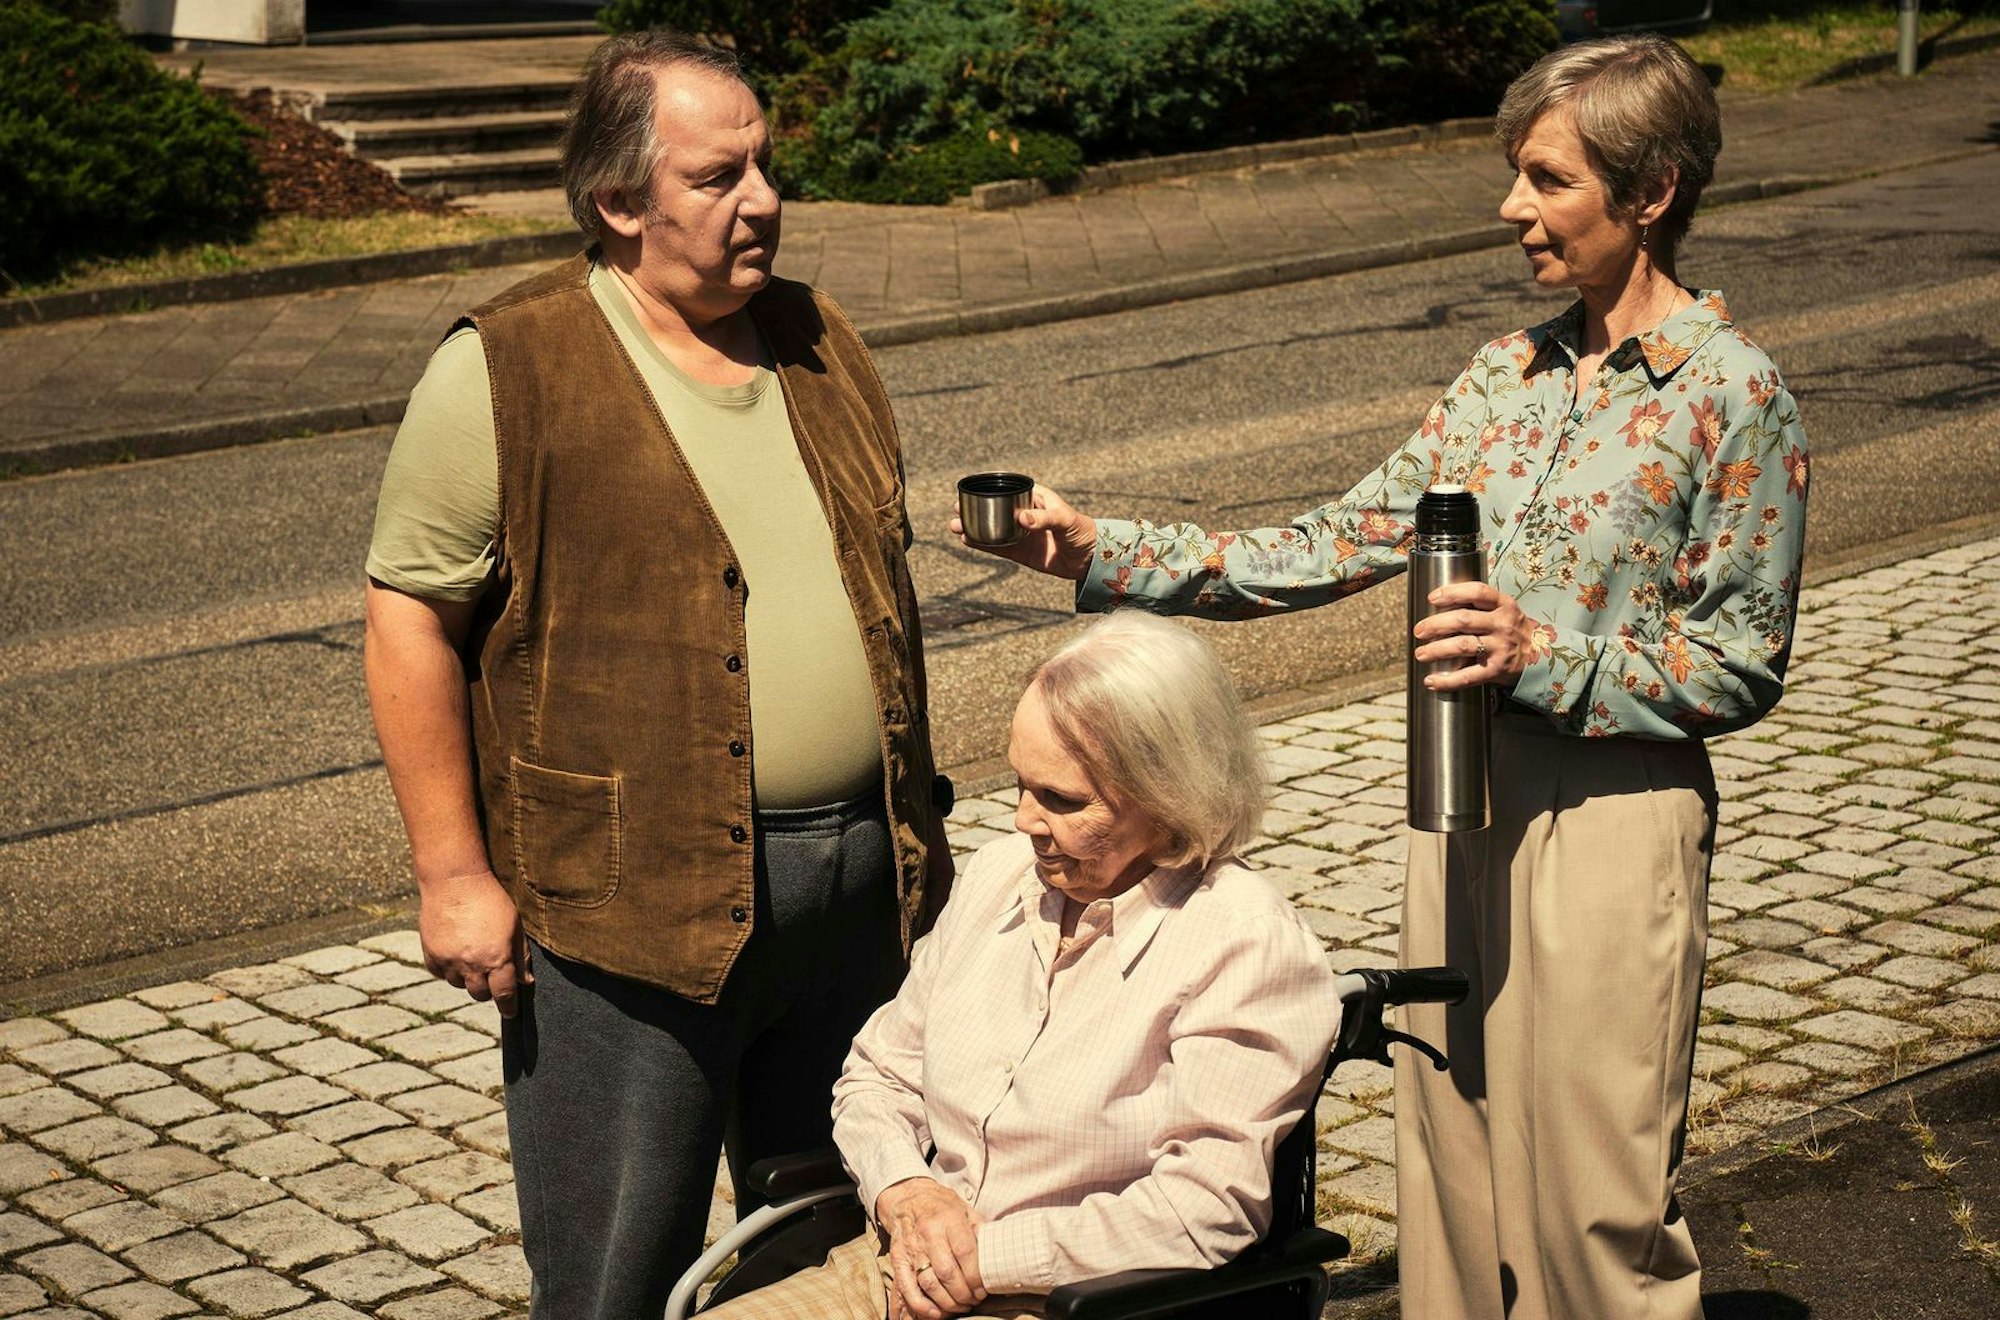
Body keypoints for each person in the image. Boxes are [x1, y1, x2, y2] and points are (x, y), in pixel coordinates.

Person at [956, 34, 1809, 1320]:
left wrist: (1540, 657)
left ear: (1651, 192)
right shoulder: (1502, 377)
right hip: (1452, 808)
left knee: (1595, 1194)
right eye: (1514, 175)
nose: (1510, 209)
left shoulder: (1730, 396)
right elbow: (1330, 541)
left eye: (1547, 181)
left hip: (1611, 817)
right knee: (1452, 1171)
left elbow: (1738, 659)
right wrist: (1093, 548)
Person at [361, 30, 952, 1320]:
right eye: (717, 177)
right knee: (616, 1267)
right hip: (629, 910)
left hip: (861, 895)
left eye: (765, 166)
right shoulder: (505, 367)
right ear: (618, 202)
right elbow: (409, 617)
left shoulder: (813, 334)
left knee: (845, 1251)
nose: (764, 200)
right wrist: (454, 876)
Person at [702, 611, 1340, 1320]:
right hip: (903, 1260)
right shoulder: (1000, 877)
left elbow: (1203, 1209)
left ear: (1171, 796)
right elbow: (880, 1074)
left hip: (1078, 1298)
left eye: (1063, 800)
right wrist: (907, 1193)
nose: (1023, 822)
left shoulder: (1242, 941)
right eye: (1021, 784)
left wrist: (985, 1259)